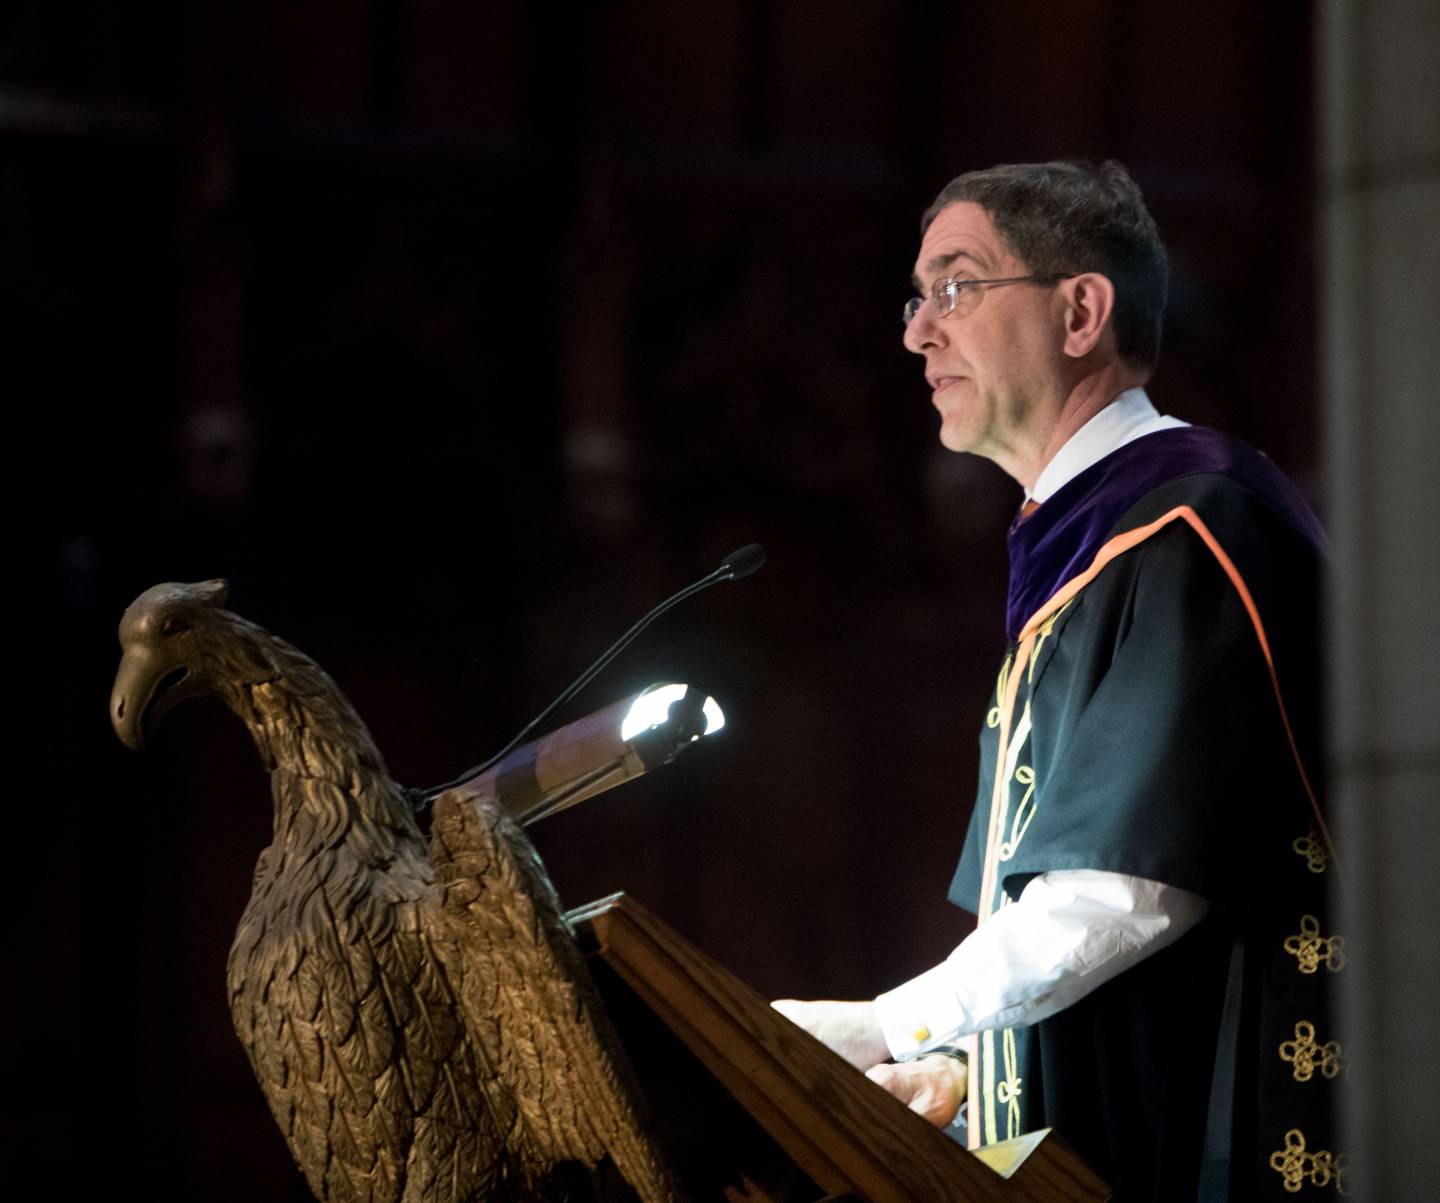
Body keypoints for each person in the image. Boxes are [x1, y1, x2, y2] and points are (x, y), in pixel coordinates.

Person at [773, 161, 1342, 1201]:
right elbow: (1060, 929)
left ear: (1081, 310)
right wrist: (958, 1070)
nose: (917, 333)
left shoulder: (1197, 526)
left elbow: (1128, 894)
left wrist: (882, 1024)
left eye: (955, 287)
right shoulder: (1094, 548)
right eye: (917, 297)